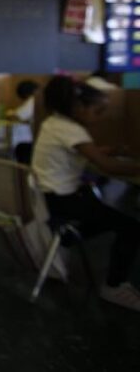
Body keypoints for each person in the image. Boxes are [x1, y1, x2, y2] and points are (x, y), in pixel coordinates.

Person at [31, 76, 140, 311]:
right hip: (63, 200)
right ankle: (114, 286)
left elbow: (82, 152)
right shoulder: (72, 131)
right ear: (78, 108)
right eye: (97, 111)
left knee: (104, 213)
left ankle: (68, 238)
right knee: (131, 227)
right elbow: (107, 166)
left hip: (49, 197)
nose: (99, 117)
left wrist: (106, 150)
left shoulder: (54, 123)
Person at [6, 80, 39, 164]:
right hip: (29, 140)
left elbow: (18, 116)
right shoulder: (34, 101)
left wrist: (9, 114)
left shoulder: (32, 100)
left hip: (26, 141)